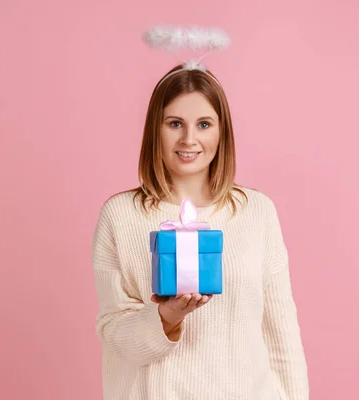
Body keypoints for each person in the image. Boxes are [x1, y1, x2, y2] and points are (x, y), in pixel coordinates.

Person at [92, 28, 309, 400]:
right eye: (175, 123)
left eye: (204, 125)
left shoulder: (257, 213)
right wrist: (167, 318)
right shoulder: (121, 216)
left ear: (222, 132)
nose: (189, 140)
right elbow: (116, 334)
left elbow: (281, 333)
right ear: (154, 131)